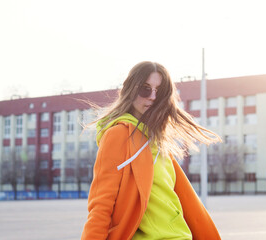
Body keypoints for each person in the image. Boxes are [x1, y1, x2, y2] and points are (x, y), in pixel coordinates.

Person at [81, 61, 222, 240]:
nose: (153, 97)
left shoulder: (158, 141)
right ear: (129, 89)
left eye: (159, 91)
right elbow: (101, 204)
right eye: (145, 89)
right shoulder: (118, 135)